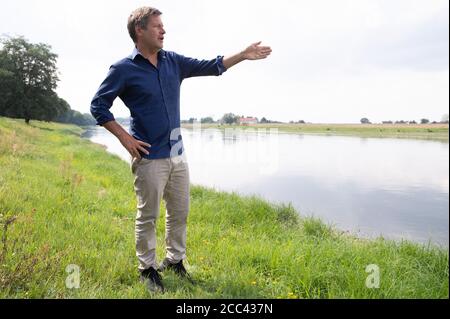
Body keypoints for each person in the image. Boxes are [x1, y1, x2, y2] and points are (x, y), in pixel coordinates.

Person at [90, 6, 272, 293]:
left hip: (177, 155)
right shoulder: (123, 69)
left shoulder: (173, 61)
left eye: (163, 26)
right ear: (140, 30)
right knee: (147, 215)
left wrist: (242, 55)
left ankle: (174, 262)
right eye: (157, 26)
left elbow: (212, 65)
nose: (163, 31)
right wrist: (125, 138)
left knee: (179, 212)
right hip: (148, 157)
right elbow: (98, 106)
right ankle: (147, 269)